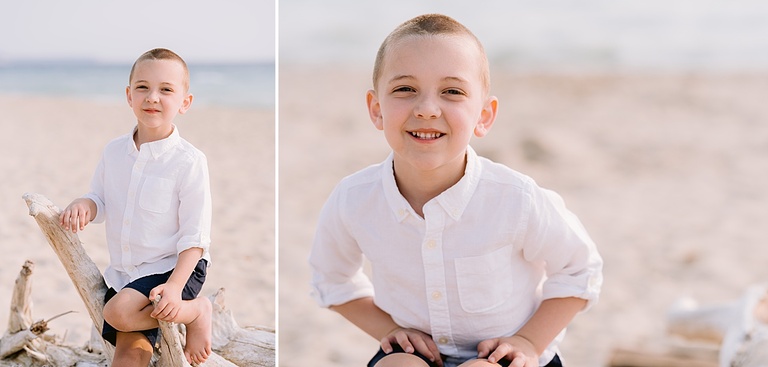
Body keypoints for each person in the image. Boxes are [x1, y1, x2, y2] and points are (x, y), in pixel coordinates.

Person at [309, 14, 603, 367]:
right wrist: (387, 329)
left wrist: (528, 340)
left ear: (484, 115)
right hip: (415, 355)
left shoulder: (516, 198)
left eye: (452, 92)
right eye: (406, 89)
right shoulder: (354, 199)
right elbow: (332, 279)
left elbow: (579, 269)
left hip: (505, 356)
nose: (428, 109)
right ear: (376, 109)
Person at [59, 48, 213, 366]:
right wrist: (84, 205)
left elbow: (195, 237)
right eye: (142, 87)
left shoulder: (189, 161)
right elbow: (100, 199)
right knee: (128, 353)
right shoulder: (114, 152)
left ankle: (197, 311)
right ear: (129, 96)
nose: (152, 97)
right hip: (126, 276)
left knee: (117, 312)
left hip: (176, 268)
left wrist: (174, 288)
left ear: (185, 102)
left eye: (166, 89)